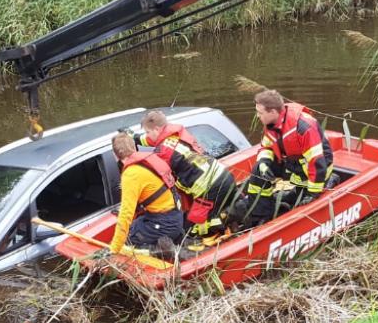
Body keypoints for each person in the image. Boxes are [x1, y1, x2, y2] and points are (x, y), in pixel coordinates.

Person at [137, 110, 237, 237]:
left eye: (147, 132)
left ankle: (219, 227)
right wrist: (137, 139)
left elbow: (157, 176)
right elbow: (152, 141)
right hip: (224, 174)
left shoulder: (164, 153)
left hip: (210, 188)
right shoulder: (177, 134)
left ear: (156, 129)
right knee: (217, 211)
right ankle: (229, 220)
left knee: (194, 228)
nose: (147, 135)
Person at [241, 90, 334, 225]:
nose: (257, 116)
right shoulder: (271, 124)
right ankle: (261, 214)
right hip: (293, 163)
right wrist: (264, 163)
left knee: (302, 200)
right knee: (258, 170)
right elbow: (266, 147)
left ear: (273, 112)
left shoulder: (304, 127)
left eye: (260, 113)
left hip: (316, 170)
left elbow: (317, 162)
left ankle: (329, 181)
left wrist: (313, 193)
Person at [98, 132, 184, 259]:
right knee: (134, 226)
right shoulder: (150, 159)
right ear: (134, 147)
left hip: (164, 224)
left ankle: (160, 251)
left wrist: (114, 248)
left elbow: (126, 214)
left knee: (128, 241)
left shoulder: (131, 174)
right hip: (175, 216)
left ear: (115, 156)